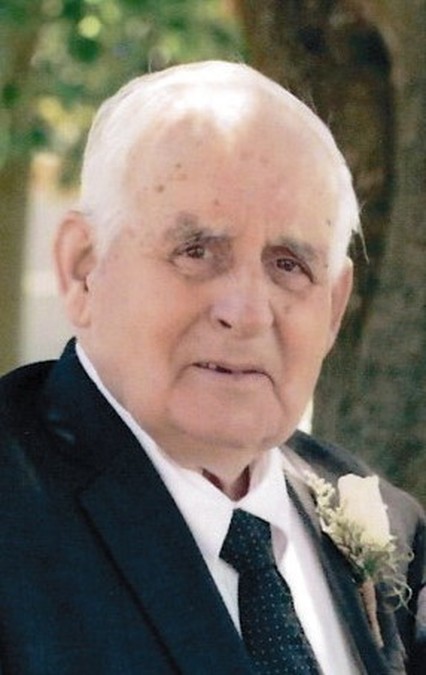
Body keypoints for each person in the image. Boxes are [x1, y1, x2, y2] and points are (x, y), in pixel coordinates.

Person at [0, 60, 424, 675]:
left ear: (333, 306)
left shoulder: (396, 533)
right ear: (83, 270)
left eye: (288, 264)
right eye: (196, 251)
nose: (247, 314)